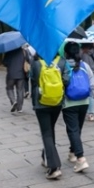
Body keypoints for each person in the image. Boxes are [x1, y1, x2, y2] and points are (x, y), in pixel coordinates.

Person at [59, 41, 94, 173]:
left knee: (72, 130)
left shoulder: (62, 65)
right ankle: (72, 152)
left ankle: (80, 158)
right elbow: (92, 83)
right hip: (84, 102)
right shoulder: (84, 65)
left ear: (65, 52)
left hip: (69, 102)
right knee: (77, 129)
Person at [29, 52, 64, 180]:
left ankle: (54, 167)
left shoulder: (36, 63)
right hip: (57, 101)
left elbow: (32, 80)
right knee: (50, 129)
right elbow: (66, 79)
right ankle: (46, 156)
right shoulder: (61, 61)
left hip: (41, 102)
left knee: (46, 133)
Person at [3, 46, 27, 113]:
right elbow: (28, 60)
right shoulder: (23, 51)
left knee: (9, 88)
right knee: (20, 90)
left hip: (11, 74)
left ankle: (13, 101)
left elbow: (5, 63)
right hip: (21, 74)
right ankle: (20, 108)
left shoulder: (9, 51)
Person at [80, 43, 94, 121]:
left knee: (88, 93)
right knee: (92, 93)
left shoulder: (83, 54)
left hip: (85, 74)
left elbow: (82, 64)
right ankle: (91, 113)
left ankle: (89, 112)